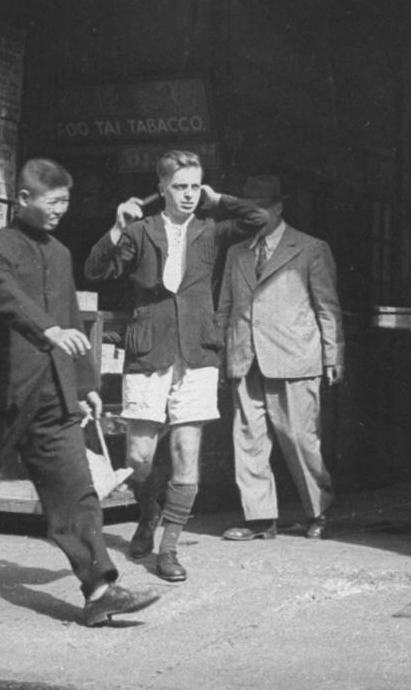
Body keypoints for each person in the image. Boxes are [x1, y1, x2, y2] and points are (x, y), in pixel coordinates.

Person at [0, 157, 160, 627]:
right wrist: (48, 331)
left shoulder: (59, 253)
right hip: (1, 395)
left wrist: (85, 383)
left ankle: (100, 589)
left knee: (75, 490)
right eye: (53, 201)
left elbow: (71, 318)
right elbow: (7, 299)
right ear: (23, 198)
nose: (61, 210)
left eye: (66, 201)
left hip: (53, 394)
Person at [85, 150, 267, 582]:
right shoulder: (141, 231)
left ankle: (168, 549)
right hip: (150, 349)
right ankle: (149, 511)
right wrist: (117, 227)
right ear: (162, 188)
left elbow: (259, 218)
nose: (188, 194)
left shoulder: (212, 229)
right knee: (139, 456)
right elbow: (95, 270)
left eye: (194, 186)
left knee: (187, 450)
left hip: (198, 352)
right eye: (180, 186)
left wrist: (218, 199)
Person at [216, 175, 344, 542]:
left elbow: (327, 306)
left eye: (259, 208)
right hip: (245, 355)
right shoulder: (236, 252)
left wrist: (333, 355)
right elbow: (225, 306)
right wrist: (220, 354)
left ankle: (318, 511)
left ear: (277, 208)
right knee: (248, 438)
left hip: (295, 356)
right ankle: (260, 520)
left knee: (300, 438)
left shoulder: (310, 248)